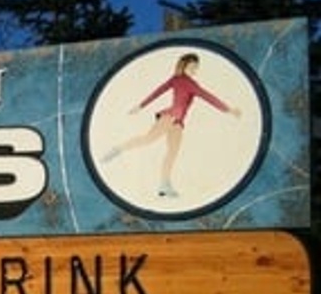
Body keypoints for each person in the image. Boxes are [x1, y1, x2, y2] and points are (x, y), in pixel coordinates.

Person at [99, 53, 241, 197]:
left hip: (178, 122)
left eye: (196, 67)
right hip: (170, 116)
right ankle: (116, 150)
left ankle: (164, 185)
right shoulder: (181, 80)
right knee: (148, 139)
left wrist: (228, 110)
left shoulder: (188, 82)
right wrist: (141, 105)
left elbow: (207, 96)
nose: (194, 70)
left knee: (172, 152)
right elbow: (159, 91)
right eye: (192, 67)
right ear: (184, 66)